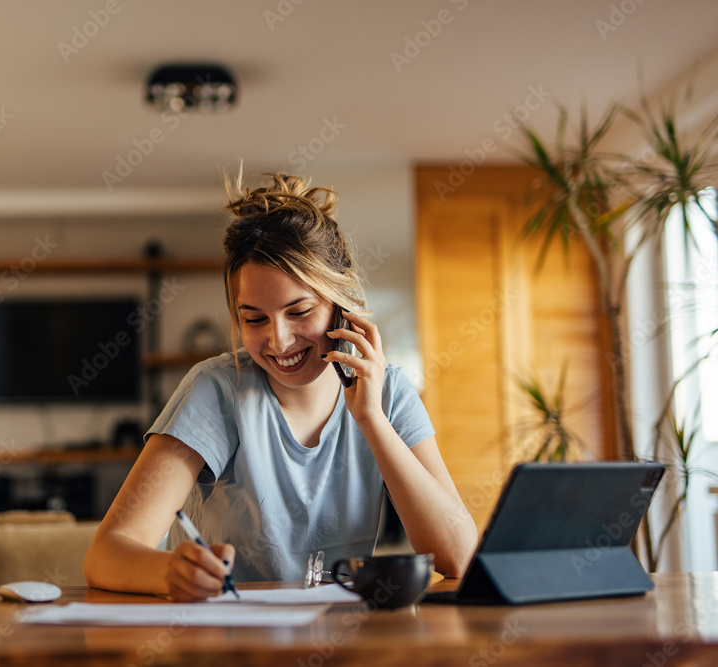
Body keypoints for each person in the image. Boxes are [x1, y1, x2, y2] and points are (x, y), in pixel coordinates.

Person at [84, 172, 477, 601]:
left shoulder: (390, 392)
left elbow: (457, 556)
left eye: (300, 311)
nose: (278, 341)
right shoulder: (217, 390)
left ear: (341, 305)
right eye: (254, 319)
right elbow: (106, 554)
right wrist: (168, 572)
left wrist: (371, 419)